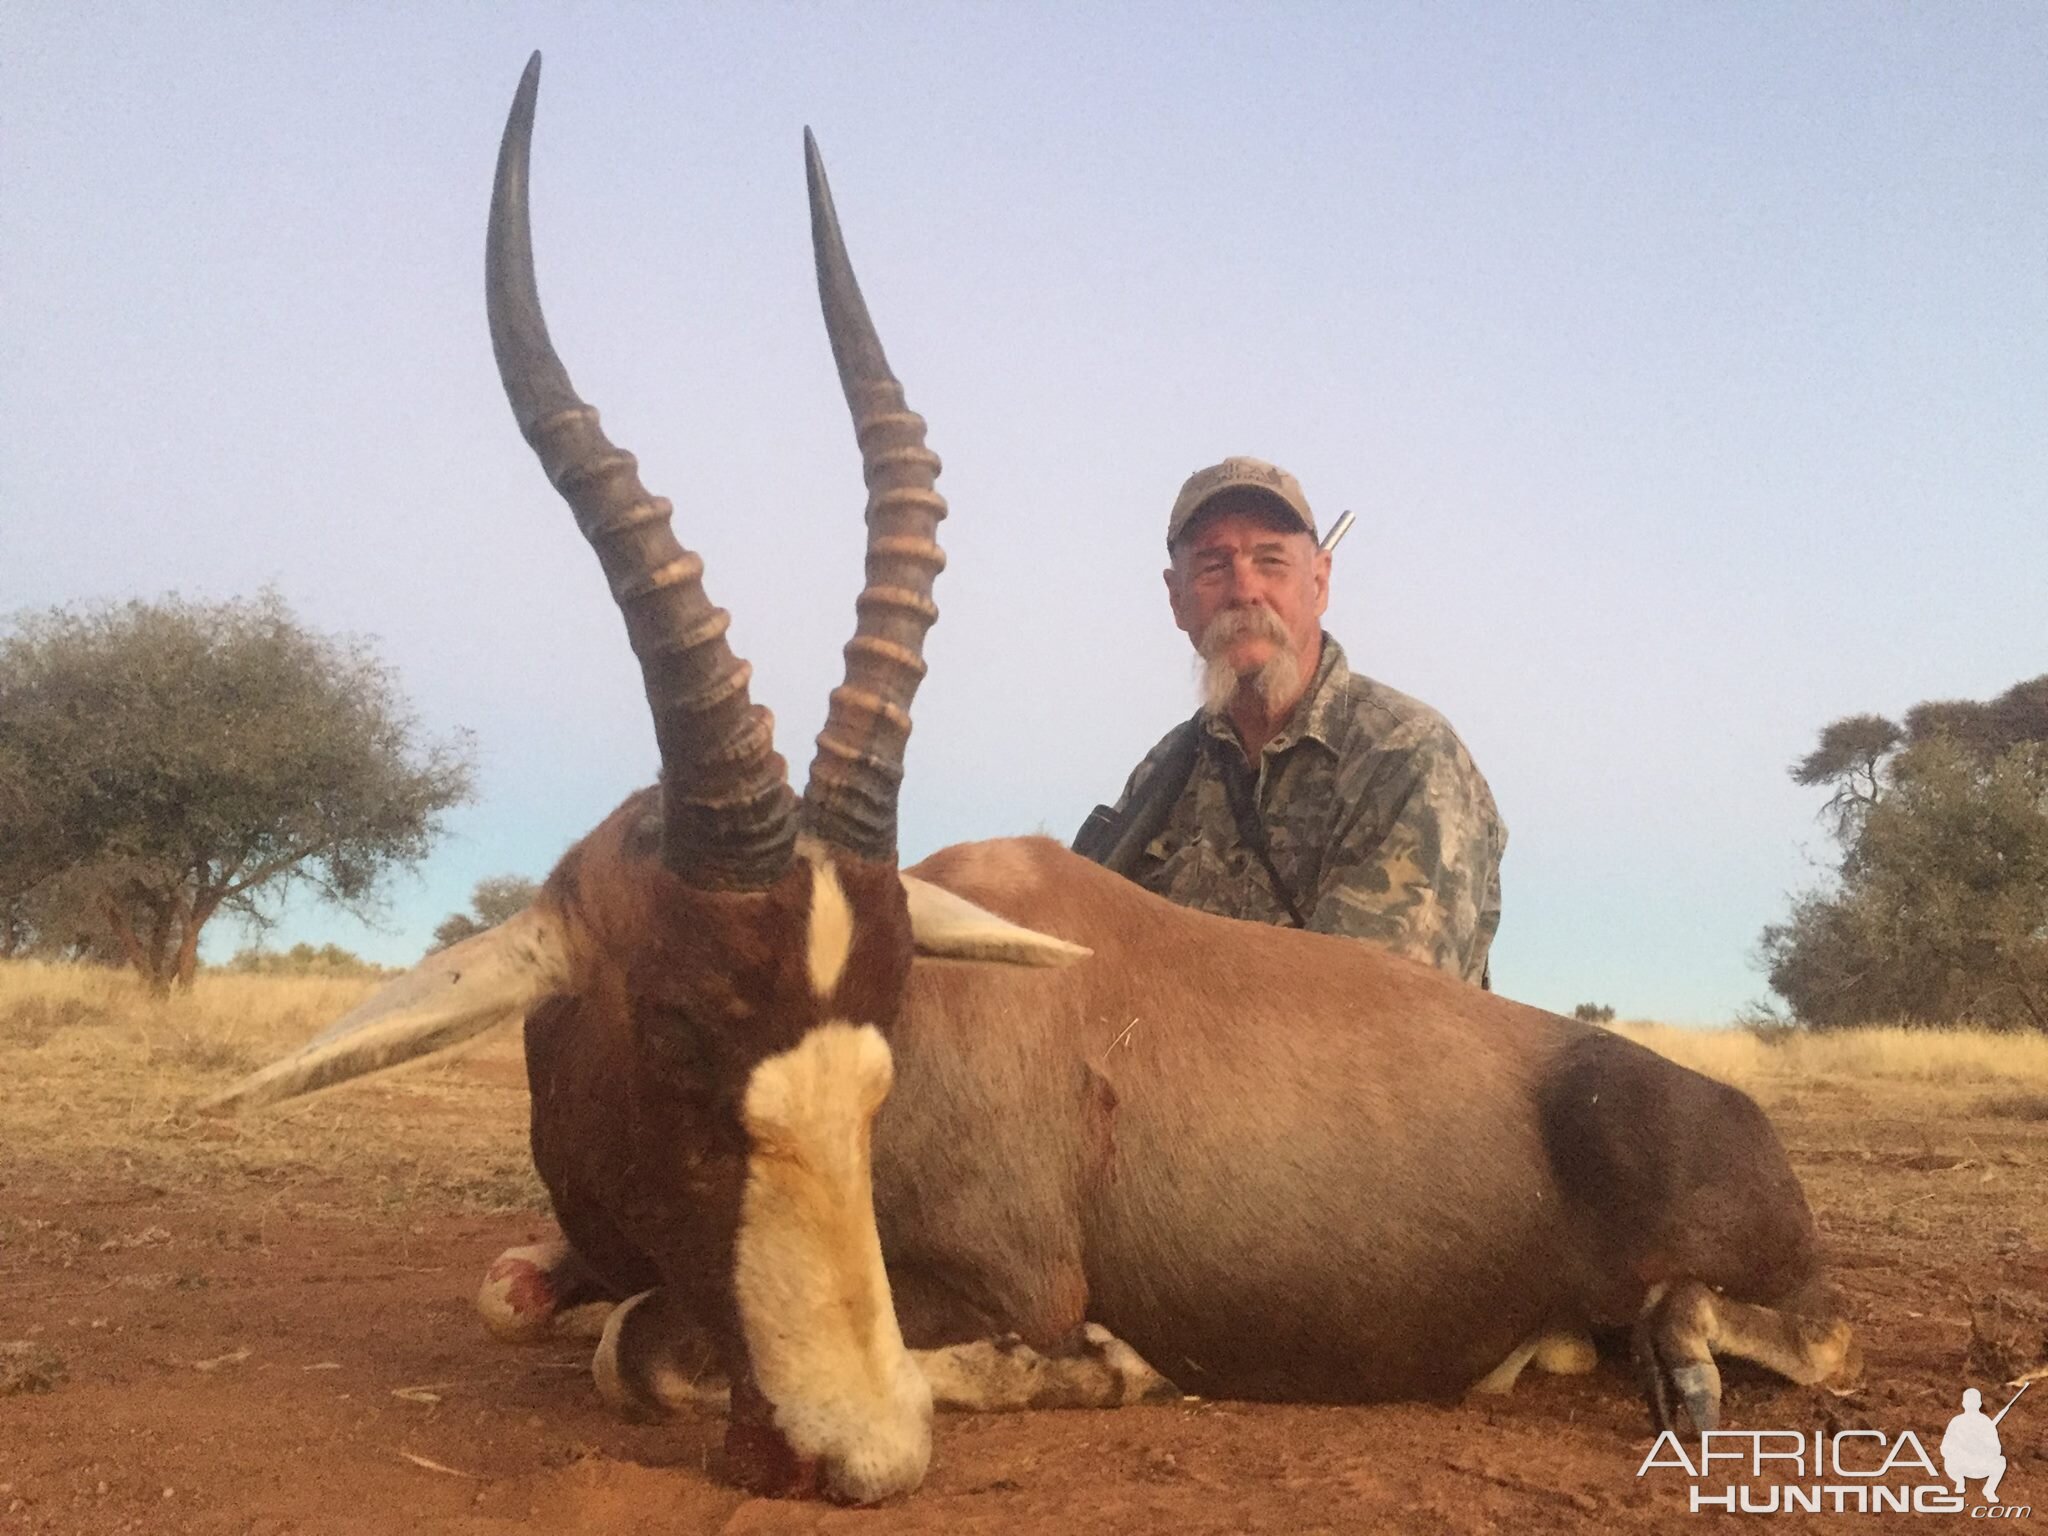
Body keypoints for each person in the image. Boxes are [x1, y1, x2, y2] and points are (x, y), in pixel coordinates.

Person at [1073, 456, 1506, 985]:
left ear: (1319, 583)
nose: (1244, 590)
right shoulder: (1162, 776)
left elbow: (1372, 1006)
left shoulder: (1408, 756)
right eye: (1213, 566)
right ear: (1176, 599)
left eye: (1271, 562)